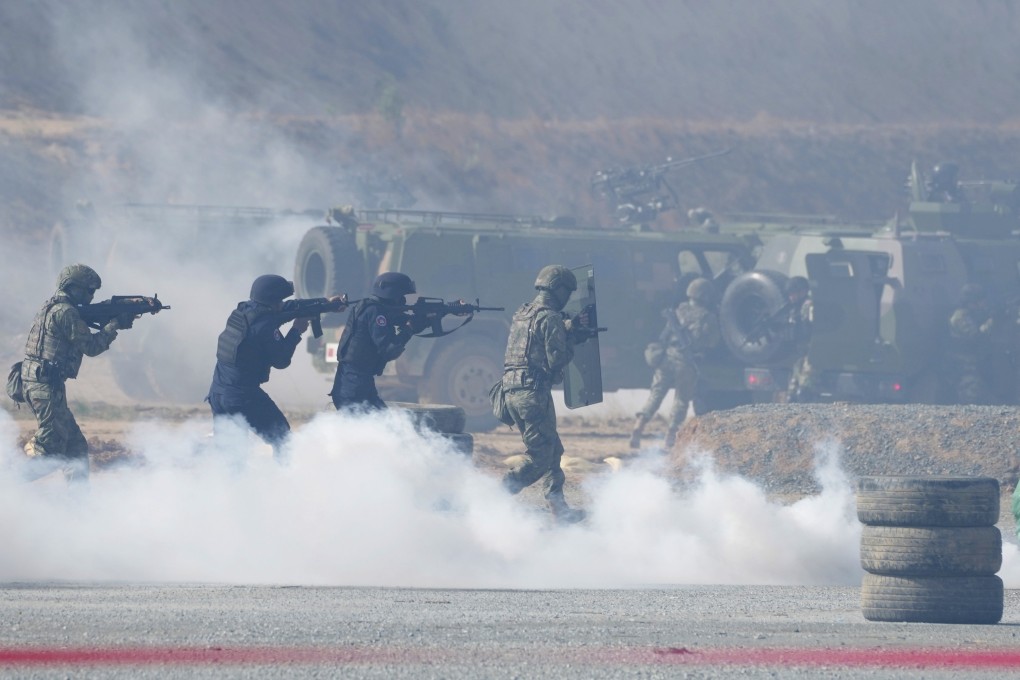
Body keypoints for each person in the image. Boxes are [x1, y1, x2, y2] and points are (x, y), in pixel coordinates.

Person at [208, 274, 347, 461]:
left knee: (231, 455)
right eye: (280, 300)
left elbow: (287, 309)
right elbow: (281, 360)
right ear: (273, 301)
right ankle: (282, 483)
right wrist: (297, 329)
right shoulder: (264, 326)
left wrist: (325, 303)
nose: (283, 303)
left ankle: (227, 488)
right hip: (243, 396)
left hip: (218, 393)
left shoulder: (243, 311)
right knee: (283, 439)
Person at [19, 264, 131, 486]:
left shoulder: (53, 306)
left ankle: (77, 506)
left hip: (42, 383)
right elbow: (91, 347)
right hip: (45, 385)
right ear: (72, 288)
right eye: (88, 291)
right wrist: (114, 325)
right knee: (49, 452)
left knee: (75, 448)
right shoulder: (66, 312)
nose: (90, 296)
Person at [500, 265, 595, 524]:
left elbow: (536, 337)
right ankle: (495, 496)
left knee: (553, 450)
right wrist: (574, 338)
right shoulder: (550, 317)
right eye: (567, 292)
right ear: (558, 289)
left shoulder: (523, 312)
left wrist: (568, 326)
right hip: (532, 392)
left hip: (511, 390)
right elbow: (557, 359)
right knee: (541, 456)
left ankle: (559, 510)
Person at [630, 277, 720, 449]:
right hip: (686, 362)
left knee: (655, 395)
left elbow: (664, 335)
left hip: (666, 358)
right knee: (681, 400)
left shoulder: (678, 311)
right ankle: (670, 437)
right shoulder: (708, 317)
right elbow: (713, 342)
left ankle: (639, 426)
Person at [330, 272, 430, 411]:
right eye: (402, 297)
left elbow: (399, 319)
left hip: (359, 383)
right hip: (353, 387)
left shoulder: (372, 309)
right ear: (393, 295)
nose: (403, 301)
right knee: (374, 428)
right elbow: (390, 350)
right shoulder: (376, 313)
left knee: (386, 423)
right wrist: (409, 329)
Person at [946, 283, 994, 404]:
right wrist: (990, 323)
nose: (983, 304)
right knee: (971, 394)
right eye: (980, 301)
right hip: (964, 363)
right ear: (972, 302)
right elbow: (975, 336)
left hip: (971, 360)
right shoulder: (960, 316)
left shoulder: (970, 314)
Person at [783, 276, 816, 402]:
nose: (791, 297)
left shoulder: (809, 306)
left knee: (804, 387)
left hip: (811, 349)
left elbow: (814, 326)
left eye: (793, 294)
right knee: (792, 389)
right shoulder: (795, 308)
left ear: (802, 292)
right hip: (800, 350)